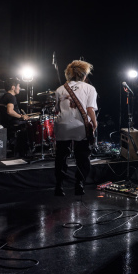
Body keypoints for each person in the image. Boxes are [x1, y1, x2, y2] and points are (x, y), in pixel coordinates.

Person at [54, 60, 98, 196]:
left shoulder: (60, 89)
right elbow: (90, 109)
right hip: (80, 126)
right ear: (84, 75)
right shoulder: (89, 88)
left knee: (61, 157)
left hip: (62, 126)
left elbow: (57, 109)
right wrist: (94, 123)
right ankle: (79, 184)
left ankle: (59, 187)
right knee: (82, 157)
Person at [0, 79, 30, 157]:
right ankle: (24, 152)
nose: (19, 88)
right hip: (12, 123)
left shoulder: (4, 96)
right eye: (18, 86)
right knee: (29, 125)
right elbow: (10, 111)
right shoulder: (11, 97)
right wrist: (22, 116)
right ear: (13, 87)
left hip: (6, 123)